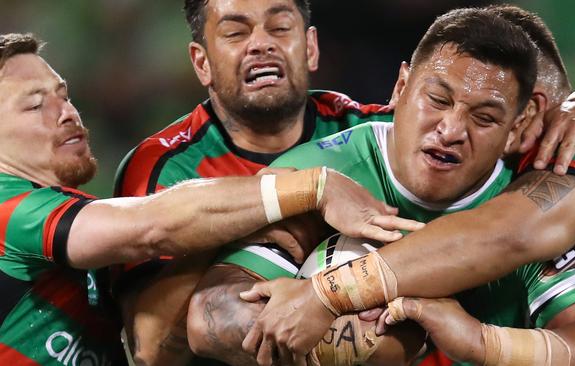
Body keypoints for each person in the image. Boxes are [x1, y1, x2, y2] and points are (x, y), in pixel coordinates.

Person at [115, 0, 575, 364]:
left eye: (484, 117)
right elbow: (207, 318)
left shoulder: (553, 171)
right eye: (437, 100)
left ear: (523, 125)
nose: (451, 130)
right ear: (401, 86)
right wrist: (344, 349)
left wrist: (483, 343)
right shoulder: (320, 170)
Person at [0, 32, 422, 364]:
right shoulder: (6, 207)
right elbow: (152, 227)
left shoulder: (56, 212)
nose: (68, 112)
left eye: (64, 94)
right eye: (36, 105)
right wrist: (312, 187)